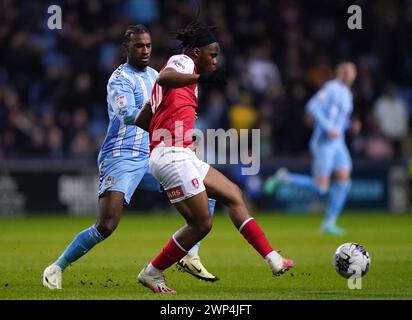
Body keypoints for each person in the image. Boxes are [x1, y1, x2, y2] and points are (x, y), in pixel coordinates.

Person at [42, 25, 217, 290]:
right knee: (107, 225)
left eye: (148, 46)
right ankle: (56, 267)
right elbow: (129, 116)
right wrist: (166, 130)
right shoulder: (119, 79)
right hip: (121, 156)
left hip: (151, 155)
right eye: (138, 46)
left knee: (207, 187)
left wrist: (182, 138)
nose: (145, 50)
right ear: (127, 48)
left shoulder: (157, 75)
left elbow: (172, 111)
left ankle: (190, 254)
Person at [134, 21, 294, 294]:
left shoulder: (181, 78)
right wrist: (200, 80)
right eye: (213, 54)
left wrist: (174, 130)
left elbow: (141, 120)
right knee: (202, 223)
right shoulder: (182, 62)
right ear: (197, 53)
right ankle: (152, 272)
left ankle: (273, 258)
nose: (216, 61)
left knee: (233, 194)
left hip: (178, 152)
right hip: (172, 155)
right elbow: (164, 78)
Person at [264, 62, 360, 236]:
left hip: (338, 143)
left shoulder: (347, 94)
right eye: (346, 70)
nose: (350, 74)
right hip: (324, 141)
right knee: (321, 188)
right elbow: (312, 107)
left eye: (352, 71)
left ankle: (329, 222)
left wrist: (350, 125)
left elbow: (340, 118)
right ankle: (284, 178)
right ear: (339, 72)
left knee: (344, 182)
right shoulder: (331, 88)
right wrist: (327, 126)